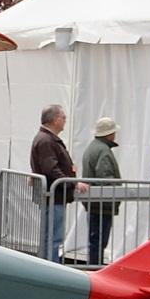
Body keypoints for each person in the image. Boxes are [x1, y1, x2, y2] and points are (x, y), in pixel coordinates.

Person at [30, 104, 88, 262]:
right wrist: (73, 183)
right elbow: (51, 168)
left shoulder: (45, 139)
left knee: (50, 236)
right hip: (54, 196)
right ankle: (52, 269)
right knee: (53, 238)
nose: (65, 121)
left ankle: (47, 265)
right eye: (63, 118)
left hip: (53, 195)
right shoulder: (47, 141)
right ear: (55, 120)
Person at [81, 117, 121, 266]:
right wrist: (116, 193)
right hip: (102, 205)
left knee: (94, 241)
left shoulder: (93, 147)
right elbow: (106, 178)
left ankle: (93, 267)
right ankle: (95, 269)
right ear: (109, 134)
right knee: (99, 241)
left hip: (95, 203)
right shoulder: (103, 151)